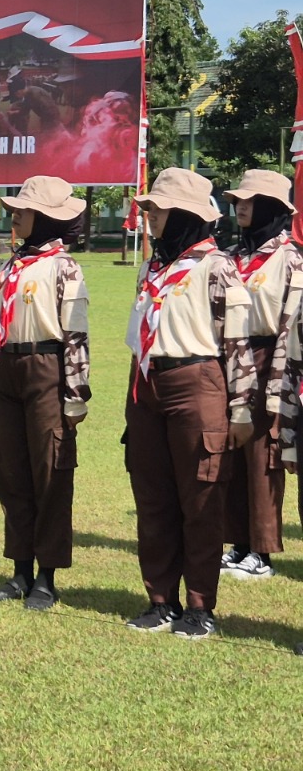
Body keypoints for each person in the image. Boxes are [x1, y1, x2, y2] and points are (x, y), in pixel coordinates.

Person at [124, 167, 255, 639]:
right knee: (153, 494)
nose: (150, 217)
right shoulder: (151, 266)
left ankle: (200, 606)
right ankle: (161, 600)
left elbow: (237, 343)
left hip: (197, 383)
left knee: (200, 498)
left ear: (183, 213)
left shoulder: (215, 266)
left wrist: (241, 409)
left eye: (157, 209)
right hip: (146, 383)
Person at [0, 176, 90, 610]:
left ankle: (47, 576)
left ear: (44, 218)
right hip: (7, 372)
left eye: (23, 210)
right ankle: (19, 570)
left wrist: (75, 394)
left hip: (47, 369)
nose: (14, 215)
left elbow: (76, 335)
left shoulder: (64, 267)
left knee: (50, 472)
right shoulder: (9, 266)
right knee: (11, 471)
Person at [221, 169, 299, 580]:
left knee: (262, 456)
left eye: (251, 201)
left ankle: (263, 551)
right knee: (230, 453)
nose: (241, 207)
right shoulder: (232, 255)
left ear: (271, 206)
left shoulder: (290, 259)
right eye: (238, 201)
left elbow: (291, 322)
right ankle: (237, 543)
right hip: (230, 360)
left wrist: (280, 379)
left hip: (271, 358)